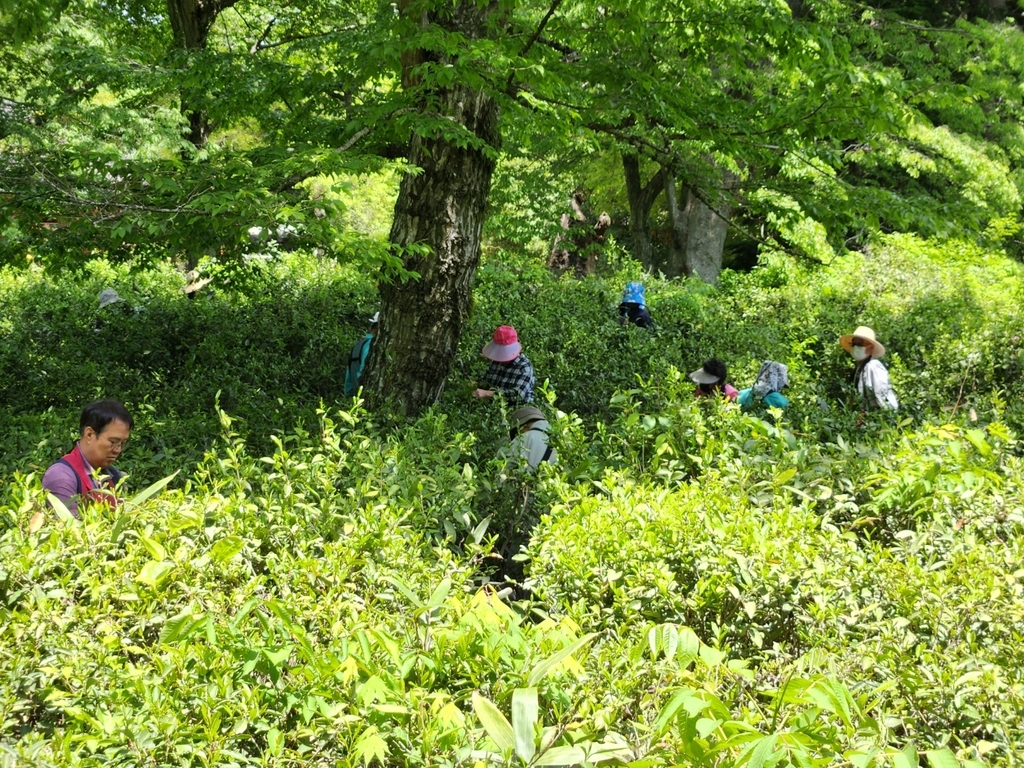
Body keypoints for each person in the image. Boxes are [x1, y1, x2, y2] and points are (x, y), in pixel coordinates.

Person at [42, 399, 133, 517]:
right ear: (89, 434)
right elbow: (69, 530)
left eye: (122, 443)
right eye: (113, 442)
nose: (118, 450)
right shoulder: (62, 476)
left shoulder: (115, 476)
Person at [840, 325, 899, 410]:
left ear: (870, 347)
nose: (856, 347)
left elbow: (885, 401)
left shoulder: (873, 366)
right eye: (854, 343)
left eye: (860, 344)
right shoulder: (859, 368)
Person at [473, 325, 535, 406]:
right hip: (492, 407)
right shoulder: (496, 363)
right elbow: (486, 381)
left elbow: (517, 395)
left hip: (516, 410)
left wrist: (487, 393)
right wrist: (475, 385)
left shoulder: (524, 367)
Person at [507, 406, 557, 470]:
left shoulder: (521, 439)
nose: (519, 434)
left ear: (523, 426)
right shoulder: (564, 439)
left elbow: (507, 474)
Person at [345, 312, 378, 395]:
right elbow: (363, 369)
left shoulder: (360, 344)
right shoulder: (371, 344)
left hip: (355, 396)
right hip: (365, 395)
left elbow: (348, 380)